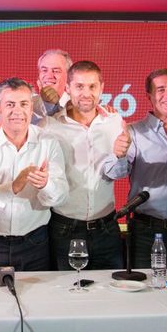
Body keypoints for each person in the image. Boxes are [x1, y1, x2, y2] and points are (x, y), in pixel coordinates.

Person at [0, 77, 69, 271]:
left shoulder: (48, 142)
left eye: (24, 104)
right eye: (10, 104)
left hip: (36, 244)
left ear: (31, 109)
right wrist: (12, 187)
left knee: (36, 300)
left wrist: (46, 184)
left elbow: (61, 195)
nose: (17, 111)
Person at [107, 69, 167, 283]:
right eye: (161, 89)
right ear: (149, 96)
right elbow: (116, 173)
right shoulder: (133, 132)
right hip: (147, 232)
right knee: (146, 294)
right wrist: (119, 154)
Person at [41, 61, 124, 270]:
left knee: (111, 296)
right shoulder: (49, 126)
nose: (86, 93)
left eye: (92, 86)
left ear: (102, 88)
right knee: (69, 297)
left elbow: (120, 171)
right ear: (67, 89)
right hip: (64, 228)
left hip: (107, 227)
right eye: (79, 86)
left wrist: (121, 157)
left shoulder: (115, 122)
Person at [36, 49, 73, 113]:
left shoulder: (75, 108)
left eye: (56, 71)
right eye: (44, 70)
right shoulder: (29, 105)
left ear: (68, 76)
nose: (49, 76)